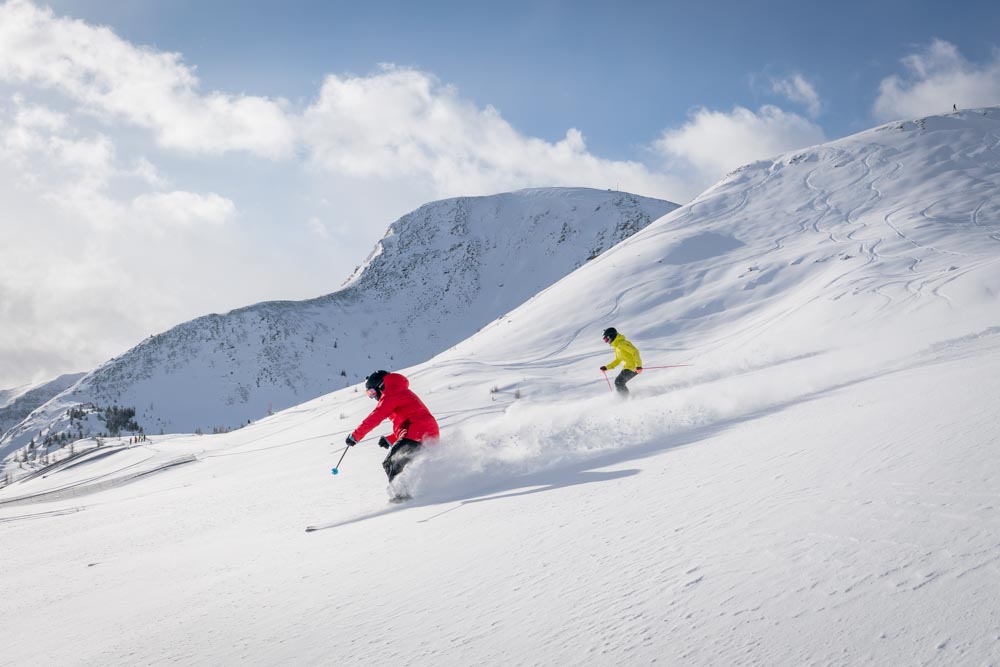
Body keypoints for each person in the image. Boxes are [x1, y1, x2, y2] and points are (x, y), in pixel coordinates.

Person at [346, 370, 439, 495]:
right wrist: (391, 439)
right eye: (369, 394)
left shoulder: (391, 393)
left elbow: (376, 416)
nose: (373, 397)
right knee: (407, 463)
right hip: (424, 431)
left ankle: (402, 497)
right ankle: (424, 491)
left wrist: (355, 436)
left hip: (418, 431)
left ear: (380, 386)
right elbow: (406, 422)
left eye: (372, 392)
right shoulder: (398, 391)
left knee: (391, 462)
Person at [599, 327, 643, 397]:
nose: (606, 342)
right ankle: (623, 397)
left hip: (633, 367)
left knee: (619, 382)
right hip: (628, 367)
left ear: (611, 336)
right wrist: (607, 367)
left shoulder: (622, 344)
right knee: (619, 382)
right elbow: (618, 360)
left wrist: (638, 366)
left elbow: (635, 352)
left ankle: (624, 399)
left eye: (606, 339)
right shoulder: (617, 346)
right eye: (605, 340)